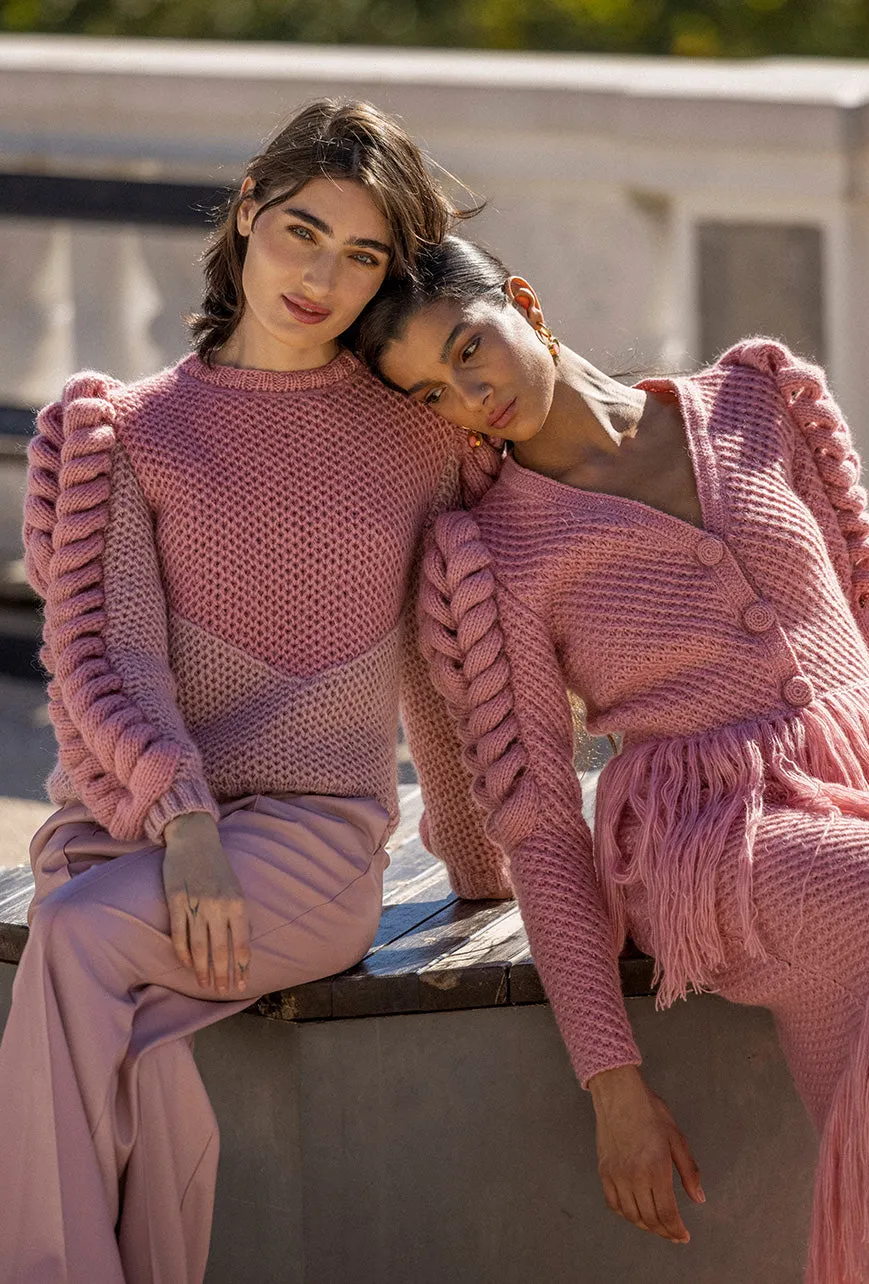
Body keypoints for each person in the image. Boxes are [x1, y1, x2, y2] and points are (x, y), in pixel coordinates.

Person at [0, 106, 507, 1284]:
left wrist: (481, 870)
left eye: (364, 255)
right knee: (147, 1045)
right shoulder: (124, 432)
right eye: (302, 231)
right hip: (143, 827)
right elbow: (105, 656)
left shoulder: (418, 434)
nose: (322, 277)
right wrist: (184, 826)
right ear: (246, 213)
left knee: (75, 943)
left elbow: (446, 670)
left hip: (314, 844)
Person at [355, 234, 869, 1284]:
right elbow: (533, 818)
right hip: (709, 844)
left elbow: (868, 641)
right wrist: (612, 1085)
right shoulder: (494, 553)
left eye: (469, 350)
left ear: (523, 299)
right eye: (430, 394)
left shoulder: (758, 404)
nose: (466, 397)